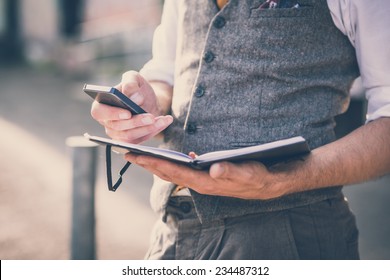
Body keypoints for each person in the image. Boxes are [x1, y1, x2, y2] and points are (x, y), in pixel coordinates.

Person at [91, 0, 390, 259]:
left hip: (285, 235)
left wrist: (282, 181)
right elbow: (167, 74)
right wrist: (144, 104)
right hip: (171, 231)